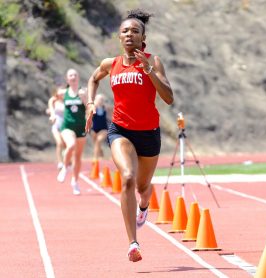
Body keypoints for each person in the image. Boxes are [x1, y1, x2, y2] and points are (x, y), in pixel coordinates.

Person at [85, 9, 174, 262]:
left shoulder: (153, 61)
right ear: (119, 36)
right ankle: (133, 243)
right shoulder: (110, 64)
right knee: (127, 178)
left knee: (143, 188)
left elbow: (168, 98)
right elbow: (93, 79)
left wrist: (148, 71)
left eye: (135, 31)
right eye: (125, 31)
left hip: (148, 133)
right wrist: (90, 104)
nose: (129, 35)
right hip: (121, 130)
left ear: (143, 37)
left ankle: (144, 207)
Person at [57, 68, 87, 195]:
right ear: (67, 78)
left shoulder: (83, 91)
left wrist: (84, 98)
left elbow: (90, 107)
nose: (73, 77)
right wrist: (53, 113)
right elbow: (52, 101)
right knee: (71, 145)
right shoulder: (63, 93)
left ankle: (75, 182)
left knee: (78, 157)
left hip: (81, 127)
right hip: (67, 126)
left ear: (78, 77)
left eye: (75, 74)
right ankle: (65, 167)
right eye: (70, 75)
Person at [47, 85, 66, 169]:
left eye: (63, 92)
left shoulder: (67, 101)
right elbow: (51, 109)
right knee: (59, 143)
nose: (62, 94)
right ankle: (60, 162)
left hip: (66, 126)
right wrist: (52, 115)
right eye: (60, 92)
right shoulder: (53, 100)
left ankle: (66, 158)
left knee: (66, 145)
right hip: (56, 125)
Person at [90, 94, 111, 161]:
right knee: (96, 143)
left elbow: (110, 116)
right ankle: (101, 153)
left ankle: (95, 158)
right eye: (99, 99)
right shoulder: (93, 108)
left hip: (103, 128)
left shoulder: (105, 108)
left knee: (98, 141)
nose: (100, 101)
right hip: (94, 129)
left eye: (102, 99)